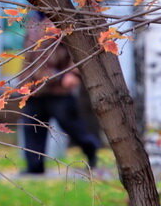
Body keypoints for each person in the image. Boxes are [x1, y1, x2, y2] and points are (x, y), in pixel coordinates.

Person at [18, 10, 100, 174]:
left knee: (72, 127)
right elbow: (28, 57)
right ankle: (34, 168)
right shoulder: (32, 21)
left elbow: (77, 51)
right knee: (32, 128)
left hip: (58, 88)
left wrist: (73, 73)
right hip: (34, 89)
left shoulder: (62, 21)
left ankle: (90, 149)